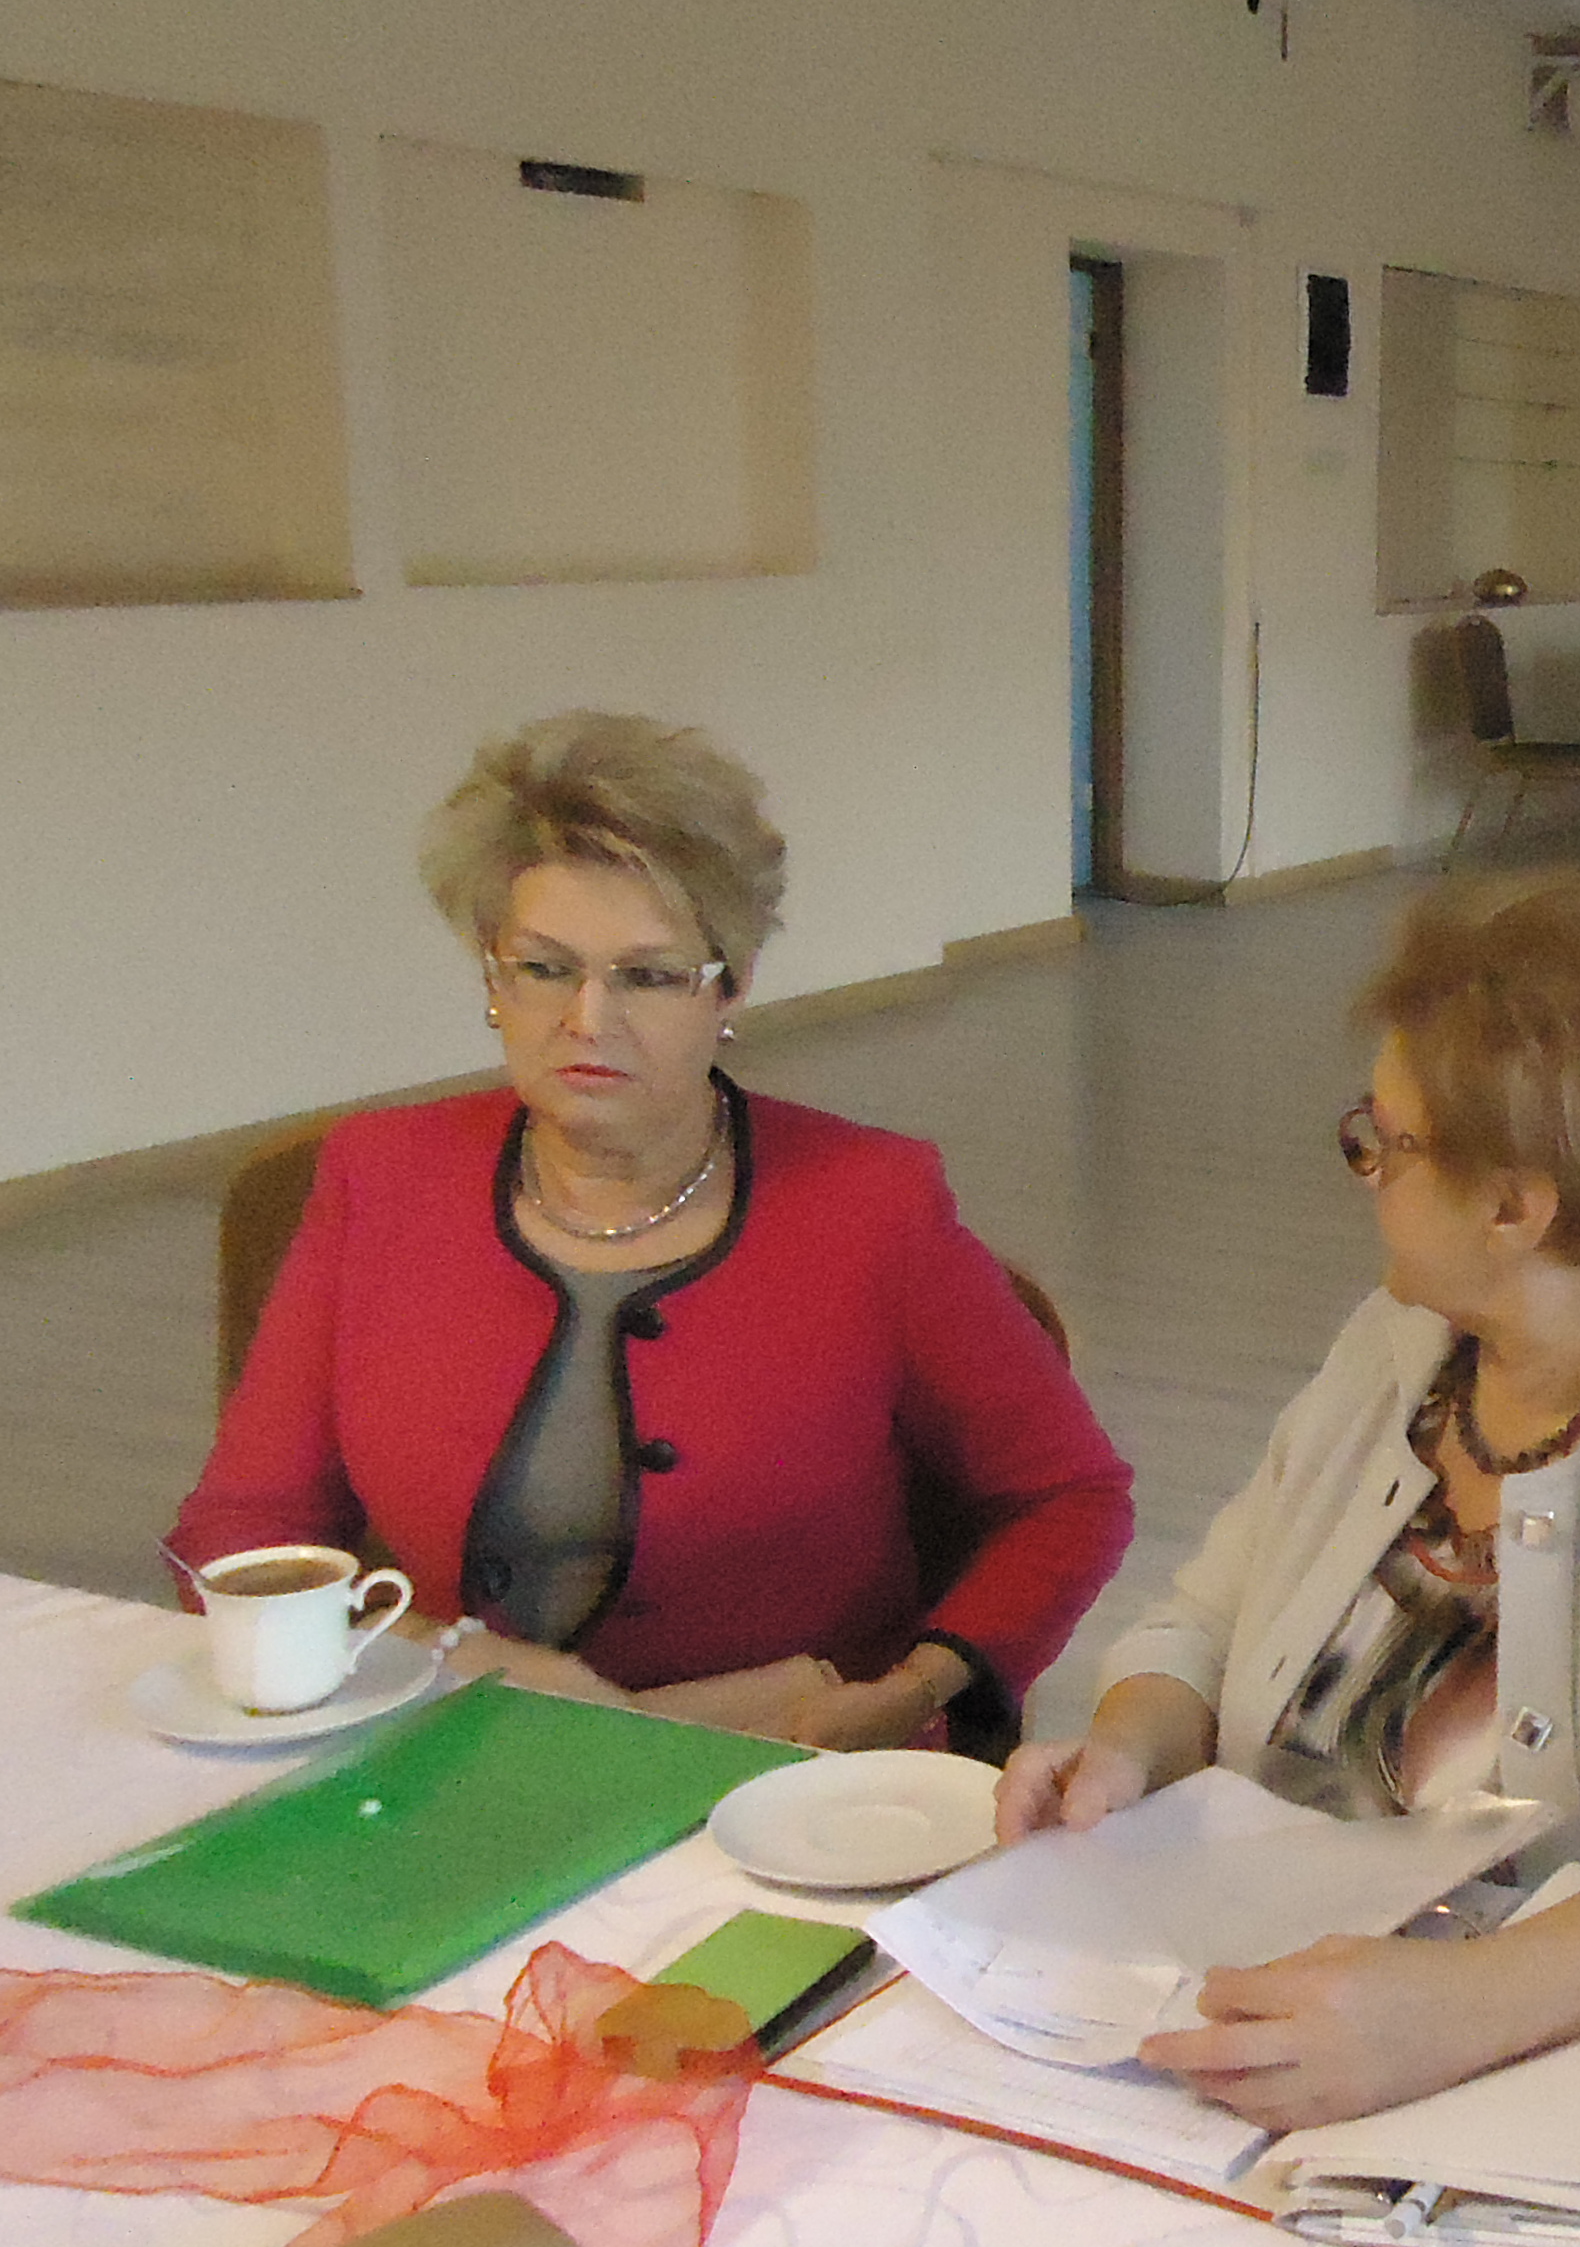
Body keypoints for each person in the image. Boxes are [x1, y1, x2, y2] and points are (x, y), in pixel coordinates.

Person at [994, 869, 1580, 2131]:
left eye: (1385, 1143)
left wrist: (1461, 2010)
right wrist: (1125, 1755)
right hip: (1290, 2025)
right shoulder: (1398, 1348)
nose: (1361, 1171)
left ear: (1512, 1206)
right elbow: (1204, 1626)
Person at [176, 712, 1132, 1749]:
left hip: (783, 1771)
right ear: (491, 980)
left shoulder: (874, 1204)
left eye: (648, 975)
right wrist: (438, 1651)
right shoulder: (378, 1179)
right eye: (544, 968)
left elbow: (1070, 1496)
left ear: (731, 988)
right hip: (454, 1747)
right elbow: (241, 1528)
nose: (588, 1019)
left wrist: (915, 1689)